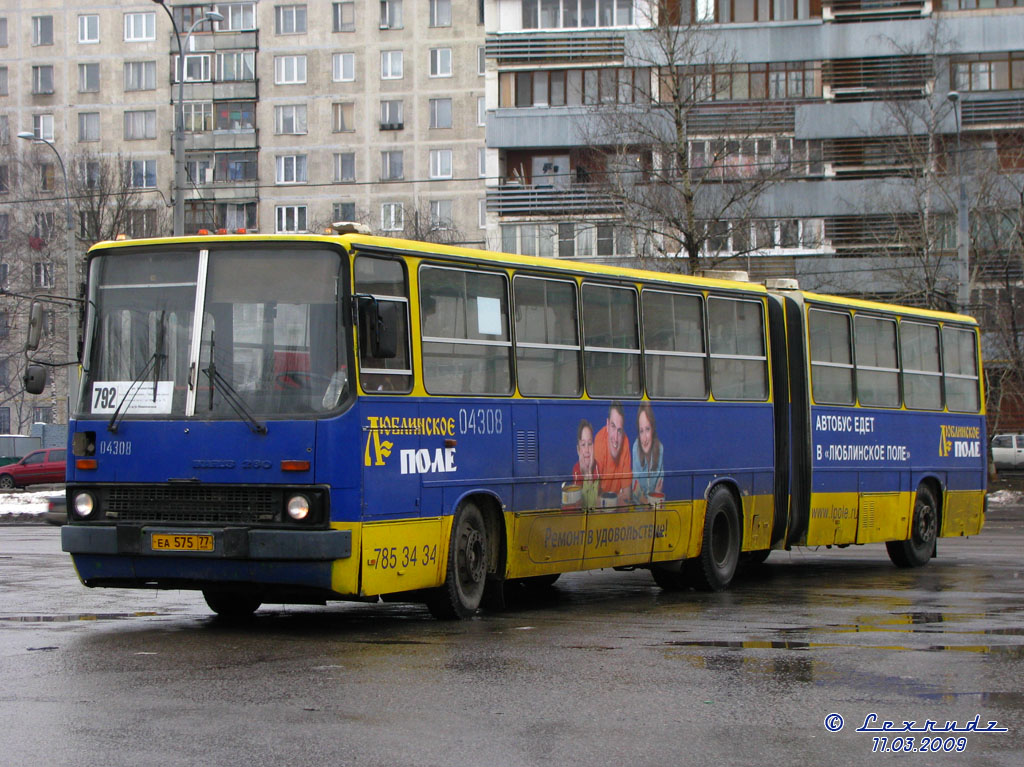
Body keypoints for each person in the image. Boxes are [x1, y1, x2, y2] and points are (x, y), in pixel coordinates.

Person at [593, 401, 631, 504]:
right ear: (607, 424)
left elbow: (627, 495)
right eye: (613, 427)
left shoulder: (625, 441)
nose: (616, 438)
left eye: (619, 430)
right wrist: (616, 500)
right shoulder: (599, 441)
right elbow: (593, 499)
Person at [632, 403, 664, 505]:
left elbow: (659, 486)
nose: (644, 438)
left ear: (653, 429)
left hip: (655, 507)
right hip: (640, 509)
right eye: (641, 431)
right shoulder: (636, 447)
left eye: (647, 429)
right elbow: (635, 485)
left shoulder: (660, 448)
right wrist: (646, 504)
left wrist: (654, 501)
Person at [572, 419, 601, 511]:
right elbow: (578, 504)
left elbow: (594, 506)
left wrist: (589, 473)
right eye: (583, 445)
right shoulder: (576, 469)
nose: (587, 450)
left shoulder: (598, 468)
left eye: (589, 444)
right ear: (578, 450)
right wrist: (583, 473)